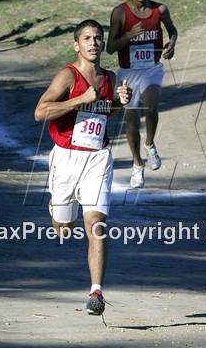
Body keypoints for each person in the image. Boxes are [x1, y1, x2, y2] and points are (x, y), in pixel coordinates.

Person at [34, 19, 131, 315]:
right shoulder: (68, 75)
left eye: (97, 38)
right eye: (87, 38)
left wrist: (120, 103)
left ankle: (95, 292)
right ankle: (57, 206)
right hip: (66, 157)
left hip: (98, 157)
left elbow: (105, 113)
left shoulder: (108, 78)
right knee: (64, 229)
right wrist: (79, 99)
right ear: (77, 45)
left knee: (96, 226)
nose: (93, 43)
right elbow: (41, 112)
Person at [106, 0, 178, 188]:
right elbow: (110, 48)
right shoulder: (120, 12)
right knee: (131, 123)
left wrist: (172, 45)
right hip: (128, 72)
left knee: (151, 108)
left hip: (152, 69)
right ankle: (137, 164)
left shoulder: (160, 10)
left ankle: (150, 143)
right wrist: (129, 35)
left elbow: (173, 31)